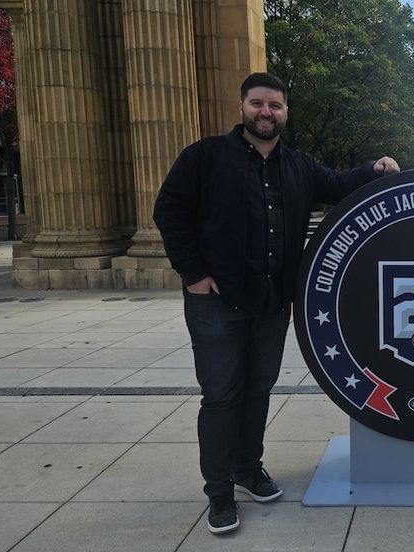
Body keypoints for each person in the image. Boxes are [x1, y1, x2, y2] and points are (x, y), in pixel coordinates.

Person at [154, 72, 400, 534]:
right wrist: (193, 274)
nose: (265, 112)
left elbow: (340, 183)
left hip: (271, 301)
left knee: (259, 386)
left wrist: (376, 169)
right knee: (222, 394)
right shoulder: (205, 156)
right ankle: (220, 491)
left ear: (286, 112)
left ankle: (248, 469)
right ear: (243, 107)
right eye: (257, 104)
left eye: (275, 106)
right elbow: (169, 210)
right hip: (217, 301)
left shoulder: (299, 165)